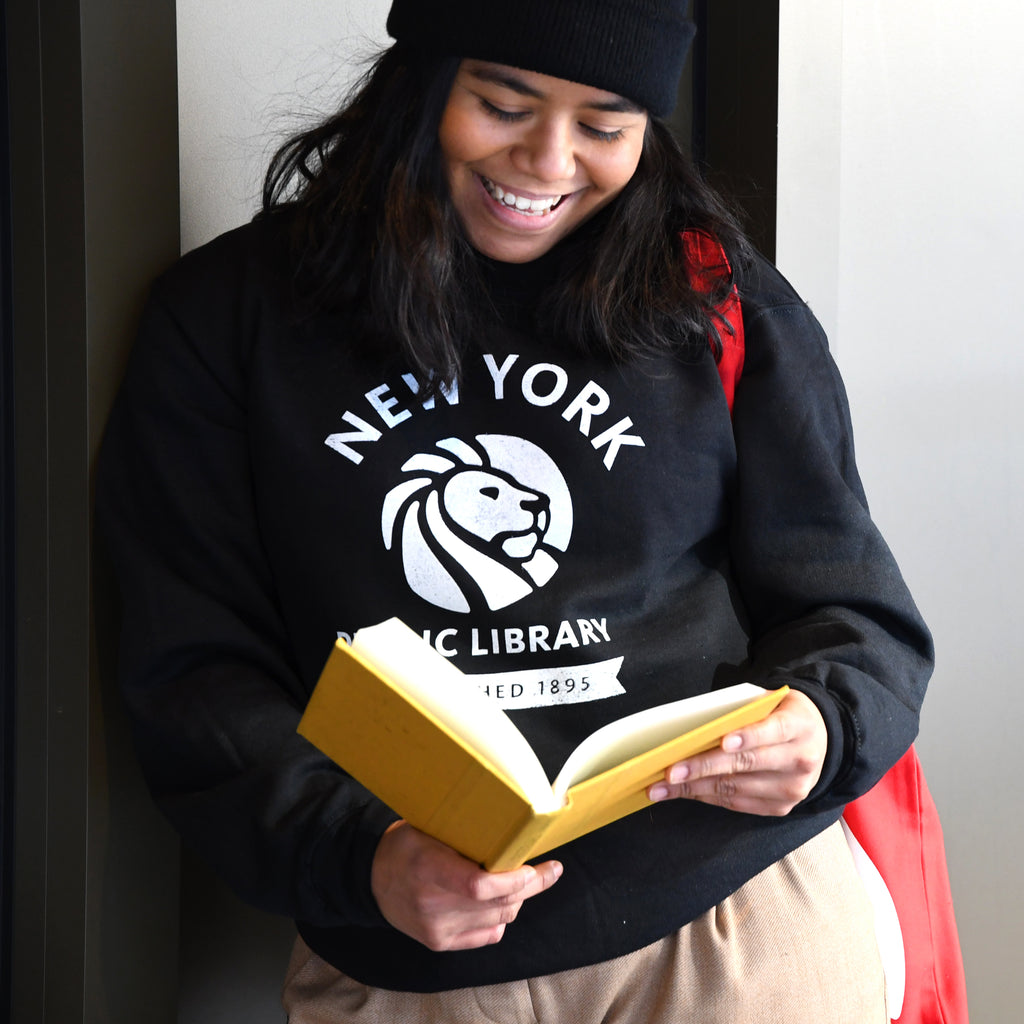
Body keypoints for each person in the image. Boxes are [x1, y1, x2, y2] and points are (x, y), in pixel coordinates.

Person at [97, 1, 933, 1020]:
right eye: (503, 103)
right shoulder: (228, 318)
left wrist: (818, 721)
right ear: (422, 84)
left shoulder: (712, 296)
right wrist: (361, 856)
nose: (546, 160)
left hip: (736, 928)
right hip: (415, 960)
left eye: (604, 124)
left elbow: (856, 611)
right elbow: (193, 662)